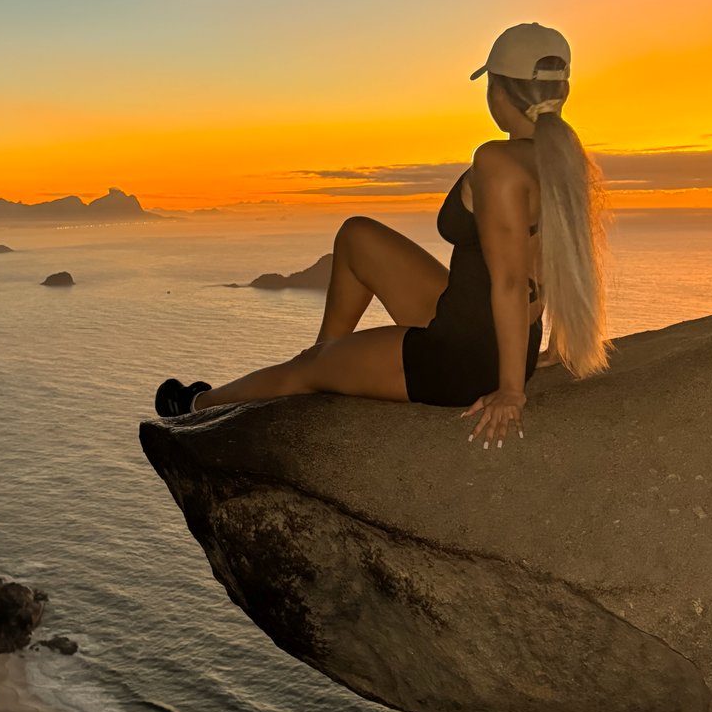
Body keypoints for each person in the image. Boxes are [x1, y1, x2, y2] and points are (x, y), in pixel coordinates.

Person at [155, 22, 611, 449]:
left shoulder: (497, 162)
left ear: (500, 90)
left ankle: (198, 404)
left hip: (463, 358)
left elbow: (510, 281)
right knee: (357, 236)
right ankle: (331, 359)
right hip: (487, 329)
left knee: (303, 369)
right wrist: (552, 346)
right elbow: (557, 258)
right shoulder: (563, 156)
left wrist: (511, 391)